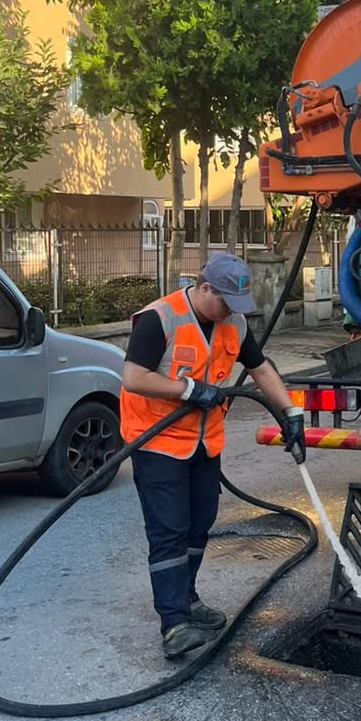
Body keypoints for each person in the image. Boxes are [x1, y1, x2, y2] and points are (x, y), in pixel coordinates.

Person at [120, 252, 303, 659]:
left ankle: (187, 598)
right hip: (158, 442)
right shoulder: (159, 318)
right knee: (169, 531)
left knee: (199, 525)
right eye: (225, 302)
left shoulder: (233, 323)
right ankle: (173, 624)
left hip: (204, 442)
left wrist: (290, 413)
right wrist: (187, 390)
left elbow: (261, 369)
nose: (230, 313)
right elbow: (133, 378)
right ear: (204, 288)